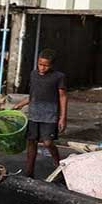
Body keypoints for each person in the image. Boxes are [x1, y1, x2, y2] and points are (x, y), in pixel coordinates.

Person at [12, 49, 67, 178]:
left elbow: (63, 97)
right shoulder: (33, 74)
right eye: (40, 64)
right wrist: (20, 105)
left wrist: (63, 117)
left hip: (50, 115)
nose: (42, 67)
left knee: (48, 142)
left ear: (52, 65)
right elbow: (33, 95)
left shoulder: (59, 77)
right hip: (34, 114)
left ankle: (59, 165)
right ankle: (29, 171)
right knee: (31, 142)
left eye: (46, 65)